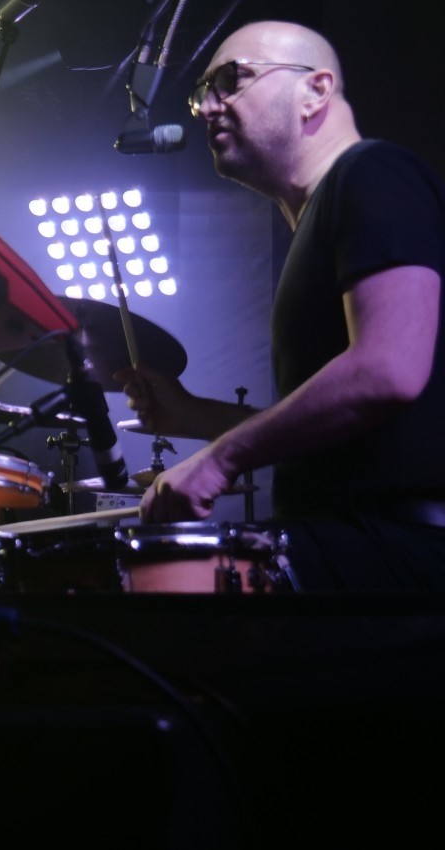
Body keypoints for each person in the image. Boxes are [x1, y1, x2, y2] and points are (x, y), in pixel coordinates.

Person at [116, 21, 445, 591]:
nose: (207, 107)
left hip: (402, 550)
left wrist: (220, 458)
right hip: (359, 541)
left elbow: (388, 370)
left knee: (161, 592)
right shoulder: (326, 211)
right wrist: (195, 418)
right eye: (203, 93)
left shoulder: (370, 173)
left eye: (231, 79)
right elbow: (342, 435)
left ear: (315, 91)